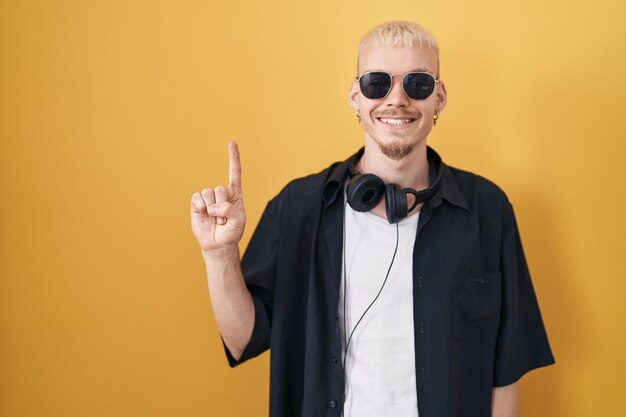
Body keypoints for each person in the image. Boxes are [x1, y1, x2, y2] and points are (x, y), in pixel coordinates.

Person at [190, 20, 555, 417]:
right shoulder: (298, 207)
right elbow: (243, 338)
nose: (396, 99)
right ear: (355, 96)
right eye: (376, 82)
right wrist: (219, 254)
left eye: (417, 83)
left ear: (440, 96)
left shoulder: (488, 210)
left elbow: (505, 373)